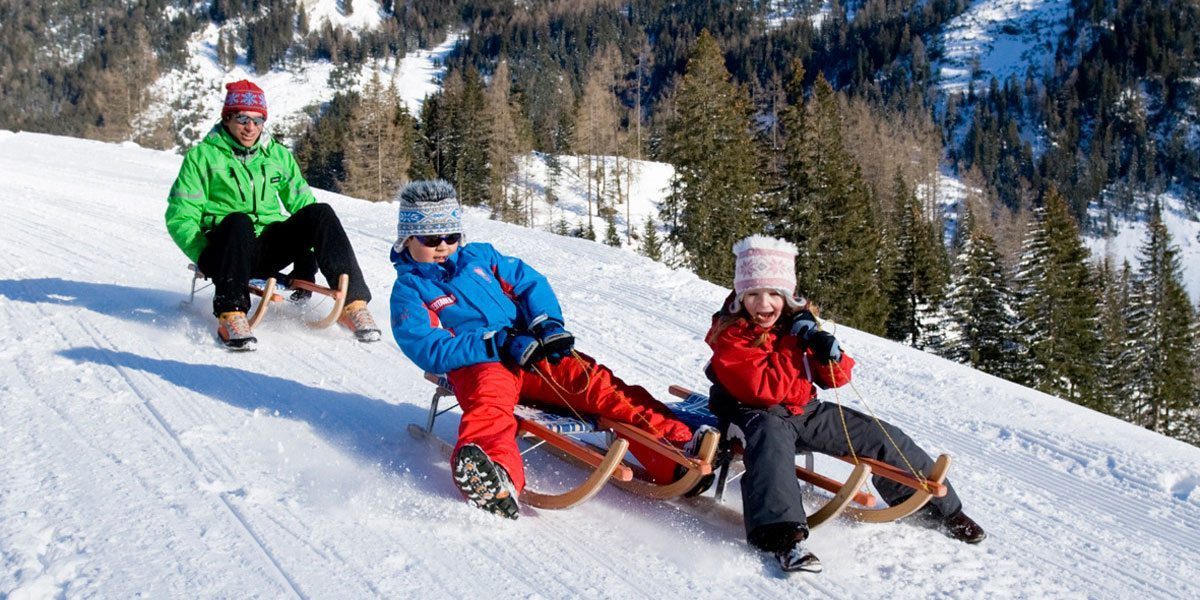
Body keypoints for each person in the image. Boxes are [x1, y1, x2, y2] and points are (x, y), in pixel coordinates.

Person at [389, 180, 714, 519]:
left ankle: (675, 448)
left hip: (530, 350)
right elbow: (427, 345)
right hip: (480, 365)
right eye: (430, 239)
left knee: (596, 383)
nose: (443, 246)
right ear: (407, 239)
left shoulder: (481, 257)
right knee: (489, 408)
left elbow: (531, 283)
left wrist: (547, 324)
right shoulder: (410, 288)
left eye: (451, 237)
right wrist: (493, 344)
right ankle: (497, 476)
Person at [704, 235, 986, 573]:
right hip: (754, 414)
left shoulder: (796, 324)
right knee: (771, 446)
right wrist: (798, 341)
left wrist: (827, 352)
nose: (763, 304)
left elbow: (837, 379)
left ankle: (939, 510)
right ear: (739, 297)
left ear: (787, 296)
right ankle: (783, 539)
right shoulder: (732, 334)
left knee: (877, 435)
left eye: (773, 294)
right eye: (752, 294)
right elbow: (764, 390)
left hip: (805, 410)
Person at [165, 80, 380, 350]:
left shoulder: (277, 155)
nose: (250, 127)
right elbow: (180, 216)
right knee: (238, 221)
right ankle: (231, 313)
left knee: (320, 213)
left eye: (258, 120)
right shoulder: (202, 157)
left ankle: (354, 304)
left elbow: (302, 204)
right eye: (243, 118)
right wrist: (204, 256)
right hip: (227, 248)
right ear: (228, 117)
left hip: (266, 247)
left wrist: (307, 256)